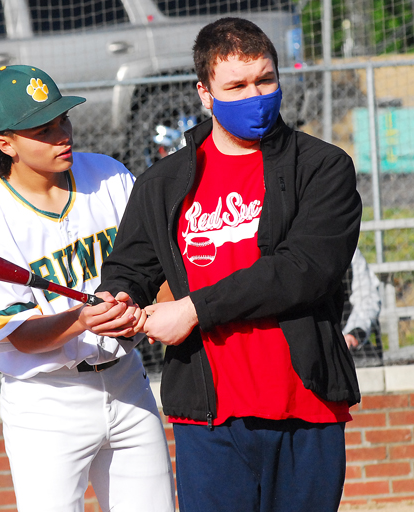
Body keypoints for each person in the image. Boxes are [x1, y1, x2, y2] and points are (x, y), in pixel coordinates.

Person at [99, 17, 362, 512]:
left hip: (306, 409)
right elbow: (129, 269)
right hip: (209, 418)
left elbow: (303, 269)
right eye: (236, 86)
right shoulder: (162, 184)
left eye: (265, 80)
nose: (255, 95)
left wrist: (193, 309)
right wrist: (118, 301)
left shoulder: (322, 167)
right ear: (204, 93)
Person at [0, 65, 175, 512]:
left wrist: (148, 313)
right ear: (7, 144)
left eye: (63, 120)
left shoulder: (109, 176)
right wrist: (80, 320)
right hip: (46, 404)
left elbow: (161, 267)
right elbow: (15, 332)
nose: (62, 135)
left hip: (126, 381)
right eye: (43, 130)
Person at [343, 248, 383, 366]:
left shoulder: (350, 250)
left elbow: (368, 299)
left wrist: (354, 333)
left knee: (371, 362)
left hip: (348, 339)